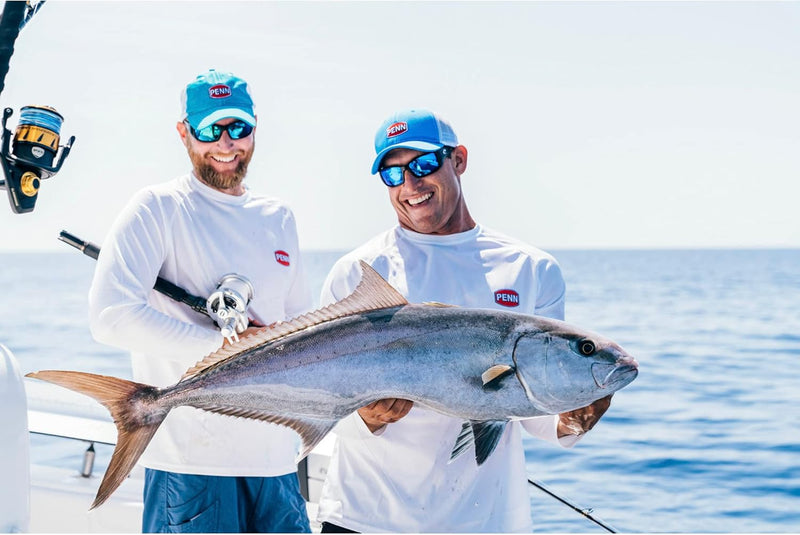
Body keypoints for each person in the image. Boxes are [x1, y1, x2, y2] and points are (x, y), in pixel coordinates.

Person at [316, 108, 613, 533]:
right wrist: (367, 418)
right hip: (366, 518)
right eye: (393, 174)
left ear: (458, 160)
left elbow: (532, 408)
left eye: (423, 164)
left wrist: (573, 418)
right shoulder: (360, 271)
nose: (411, 185)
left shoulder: (529, 269)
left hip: (483, 521)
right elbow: (319, 398)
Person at [88, 69, 312, 533]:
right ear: (184, 132)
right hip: (190, 468)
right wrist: (225, 349)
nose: (226, 144)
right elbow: (111, 317)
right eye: (211, 130)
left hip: (277, 468)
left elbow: (302, 332)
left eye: (238, 128)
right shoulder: (158, 207)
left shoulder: (279, 218)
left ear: (255, 128)